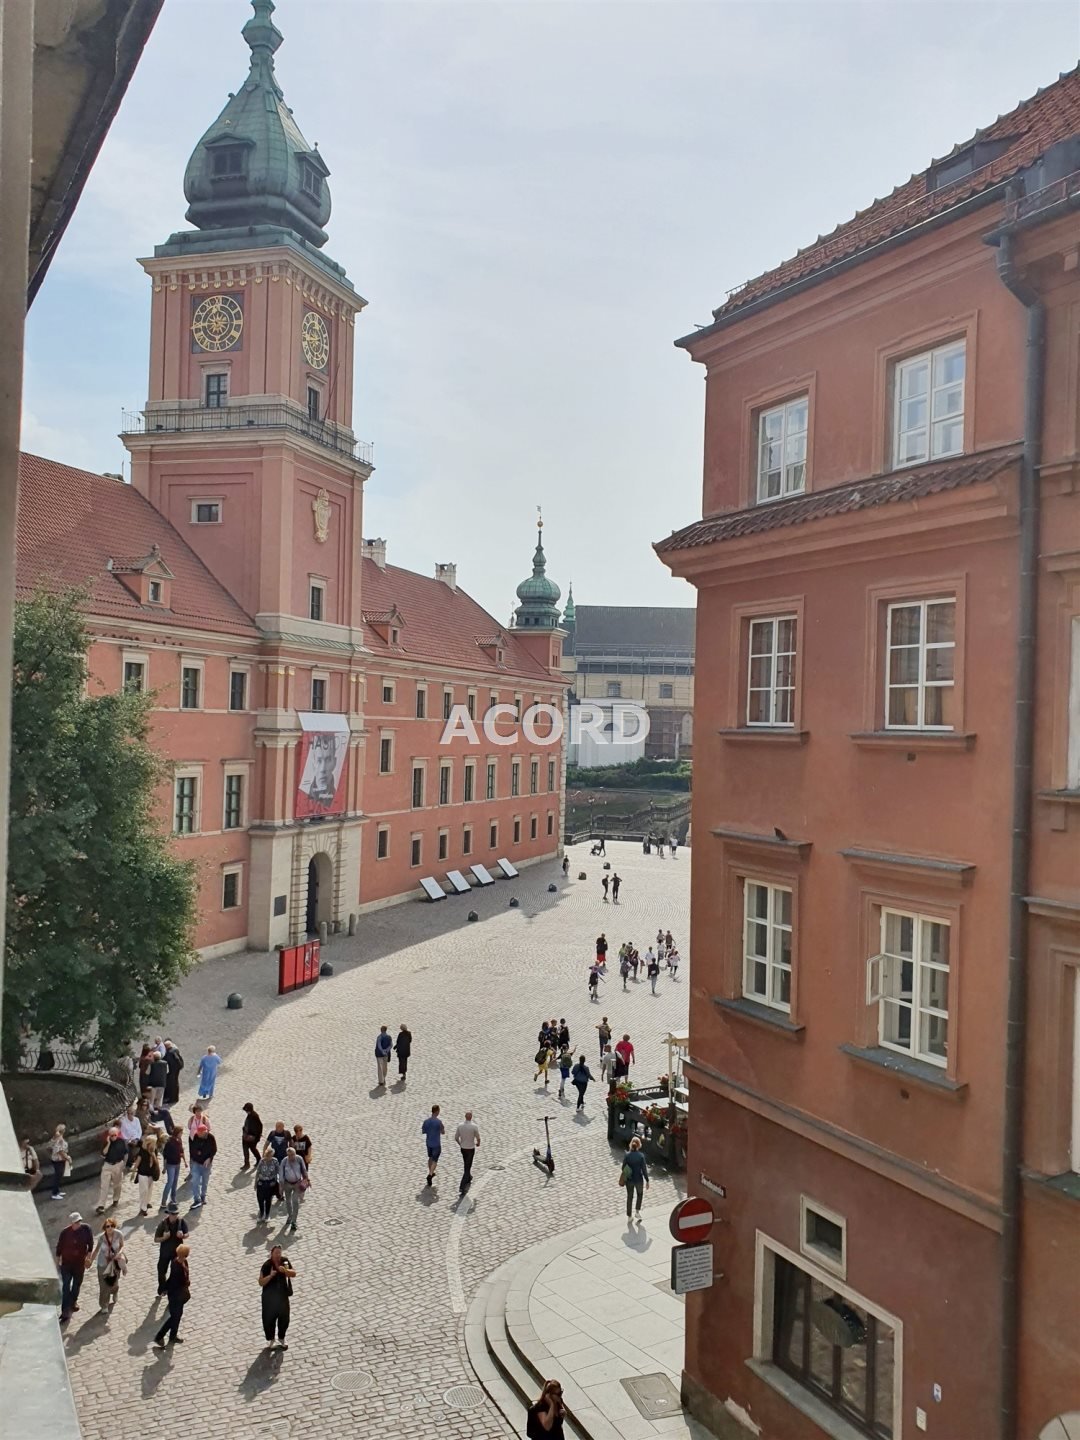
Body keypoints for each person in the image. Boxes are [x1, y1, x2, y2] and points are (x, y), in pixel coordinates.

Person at [55, 1211, 94, 1322]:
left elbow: (90, 1244)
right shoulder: (65, 1233)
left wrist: (88, 1257)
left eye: (79, 1221)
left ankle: (73, 1302)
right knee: (66, 1286)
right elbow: (59, 1248)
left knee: (77, 1284)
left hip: (79, 1263)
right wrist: (57, 1262)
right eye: (76, 1222)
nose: (78, 1224)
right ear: (71, 1223)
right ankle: (65, 1311)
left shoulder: (86, 1229)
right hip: (66, 1264)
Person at [152, 1244, 191, 1348]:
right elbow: (175, 1280)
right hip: (175, 1295)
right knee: (174, 1317)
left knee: (177, 1316)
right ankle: (159, 1336)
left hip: (181, 1294)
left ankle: (173, 1336)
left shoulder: (184, 1262)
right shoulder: (176, 1265)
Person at [259, 1246, 296, 1351]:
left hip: (282, 1296)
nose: (278, 1255)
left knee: (284, 1318)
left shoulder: (284, 1261)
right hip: (269, 1299)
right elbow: (260, 1282)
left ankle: (281, 1337)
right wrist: (270, 1276)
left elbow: (293, 1273)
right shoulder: (267, 1265)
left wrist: (285, 1271)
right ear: (272, 1253)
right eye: (276, 1253)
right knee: (269, 1319)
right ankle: (271, 1340)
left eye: (279, 1253)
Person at [92, 1217, 126, 1316]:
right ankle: (104, 1305)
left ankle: (115, 1292)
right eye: (108, 1226)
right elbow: (96, 1250)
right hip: (103, 1264)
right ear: (105, 1228)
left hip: (114, 1263)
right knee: (103, 1286)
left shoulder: (119, 1234)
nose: (110, 1228)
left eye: (112, 1226)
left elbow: (122, 1245)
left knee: (114, 1283)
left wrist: (119, 1253)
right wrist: (90, 1260)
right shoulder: (102, 1238)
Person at [154, 1204, 188, 1294]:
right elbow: (156, 1239)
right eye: (172, 1214)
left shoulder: (181, 1222)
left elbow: (187, 1233)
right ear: (168, 1214)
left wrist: (183, 1235)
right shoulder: (163, 1224)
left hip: (177, 1252)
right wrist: (164, 1238)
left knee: (176, 1272)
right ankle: (162, 1288)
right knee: (161, 1270)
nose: (174, 1216)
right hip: (165, 1252)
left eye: (176, 1214)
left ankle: (170, 1288)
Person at [95, 1128, 127, 1213]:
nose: (113, 1137)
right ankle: (101, 1205)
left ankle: (116, 1199)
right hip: (108, 1165)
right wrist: (108, 1143)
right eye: (111, 1135)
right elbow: (103, 1153)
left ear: (117, 1134)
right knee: (104, 1186)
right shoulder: (106, 1142)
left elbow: (126, 1153)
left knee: (117, 1185)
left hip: (118, 1165)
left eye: (115, 1135)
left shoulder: (121, 1141)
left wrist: (124, 1164)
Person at [279, 1146, 308, 1233]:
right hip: (287, 1184)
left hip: (297, 1184)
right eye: (290, 1155)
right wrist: (281, 1186)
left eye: (293, 1155)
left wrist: (306, 1179)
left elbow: (304, 1169)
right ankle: (290, 1216)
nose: (292, 1157)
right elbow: (281, 1174)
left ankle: (294, 1221)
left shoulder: (299, 1159)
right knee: (288, 1201)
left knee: (295, 1201)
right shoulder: (284, 1161)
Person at [621, 1136, 650, 1220]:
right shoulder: (641, 1156)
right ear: (639, 1145)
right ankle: (637, 1212)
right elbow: (644, 1169)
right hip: (638, 1180)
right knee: (639, 1195)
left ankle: (629, 1216)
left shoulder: (627, 1155)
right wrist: (647, 1180)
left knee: (630, 1196)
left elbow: (623, 1168)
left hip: (629, 1179)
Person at [188, 1124, 217, 1208]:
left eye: (200, 1133)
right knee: (195, 1181)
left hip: (206, 1164)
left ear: (204, 1132)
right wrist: (195, 1155)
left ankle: (203, 1196)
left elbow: (214, 1150)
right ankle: (196, 1199)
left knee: (205, 1181)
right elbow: (193, 1148)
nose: (198, 1135)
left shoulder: (211, 1138)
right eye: (198, 1133)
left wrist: (209, 1158)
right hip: (196, 1163)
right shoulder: (196, 1136)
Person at [133, 1134, 161, 1215]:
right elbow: (138, 1161)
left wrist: (152, 1154)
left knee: (149, 1190)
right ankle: (143, 1207)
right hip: (142, 1173)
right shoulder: (142, 1151)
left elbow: (156, 1161)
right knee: (143, 1190)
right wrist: (134, 1171)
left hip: (151, 1173)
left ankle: (147, 1202)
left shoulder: (154, 1150)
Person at [453, 1111, 480, 1193]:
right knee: (467, 1166)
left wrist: (460, 1144)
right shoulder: (474, 1126)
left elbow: (456, 1137)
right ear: (471, 1117)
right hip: (470, 1148)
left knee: (466, 1163)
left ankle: (469, 1177)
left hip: (463, 1148)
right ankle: (462, 1185)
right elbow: (478, 1137)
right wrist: (478, 1143)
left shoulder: (460, 1126)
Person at [161, 1126, 185, 1208]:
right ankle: (163, 1201)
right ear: (177, 1133)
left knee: (175, 1182)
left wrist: (184, 1160)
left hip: (177, 1163)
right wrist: (164, 1167)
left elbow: (181, 1151)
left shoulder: (179, 1141)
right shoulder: (170, 1142)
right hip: (170, 1164)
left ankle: (173, 1198)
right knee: (170, 1182)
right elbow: (165, 1155)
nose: (182, 1134)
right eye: (181, 1133)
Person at [254, 1145, 280, 1222]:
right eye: (268, 1155)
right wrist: (255, 1183)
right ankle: (261, 1214)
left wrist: (278, 1182)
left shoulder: (275, 1161)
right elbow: (258, 1172)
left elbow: (278, 1172)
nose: (269, 1157)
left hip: (270, 1183)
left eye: (271, 1156)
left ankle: (267, 1215)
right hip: (261, 1182)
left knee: (268, 1200)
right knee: (260, 1199)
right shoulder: (262, 1161)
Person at [422, 1105, 444, 1187]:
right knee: (435, 1160)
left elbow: (424, 1131)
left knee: (430, 1157)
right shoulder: (439, 1122)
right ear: (437, 1111)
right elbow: (443, 1132)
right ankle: (430, 1174)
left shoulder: (426, 1121)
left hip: (429, 1143)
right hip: (436, 1144)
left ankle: (430, 1172)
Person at [48, 1124, 69, 1200]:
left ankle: (57, 1191)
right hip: (58, 1160)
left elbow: (50, 1146)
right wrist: (67, 1158)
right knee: (57, 1176)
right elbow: (60, 1151)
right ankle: (54, 1193)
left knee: (58, 1176)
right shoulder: (59, 1139)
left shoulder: (55, 1138)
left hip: (56, 1159)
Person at [241, 1102, 263, 1170]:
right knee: (245, 1150)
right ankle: (246, 1163)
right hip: (246, 1136)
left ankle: (259, 1159)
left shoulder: (255, 1116)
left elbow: (260, 1126)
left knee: (253, 1149)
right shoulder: (249, 1115)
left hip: (253, 1137)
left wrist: (257, 1136)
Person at [162, 1039, 184, 1107]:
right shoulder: (175, 1050)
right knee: (175, 1083)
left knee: (171, 1085)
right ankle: (174, 1098)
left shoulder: (168, 1053)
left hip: (171, 1071)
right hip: (176, 1070)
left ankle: (171, 1098)